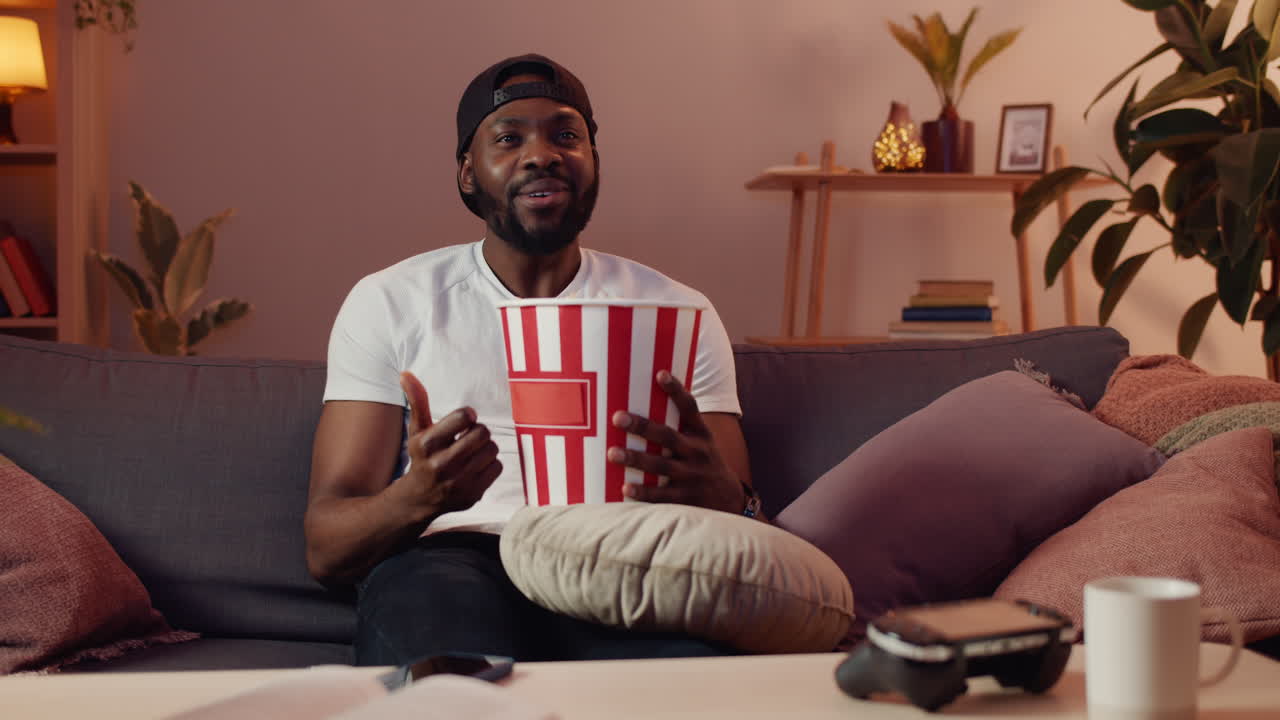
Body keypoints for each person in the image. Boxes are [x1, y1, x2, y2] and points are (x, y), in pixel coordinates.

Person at [304, 53, 762, 666]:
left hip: (625, 555)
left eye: (566, 136)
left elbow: (742, 526)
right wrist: (419, 496)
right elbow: (326, 548)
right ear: (468, 173)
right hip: (453, 556)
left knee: (690, 675)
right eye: (509, 138)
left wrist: (727, 496)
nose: (542, 154)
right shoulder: (390, 301)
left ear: (593, 162)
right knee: (450, 678)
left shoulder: (677, 312)